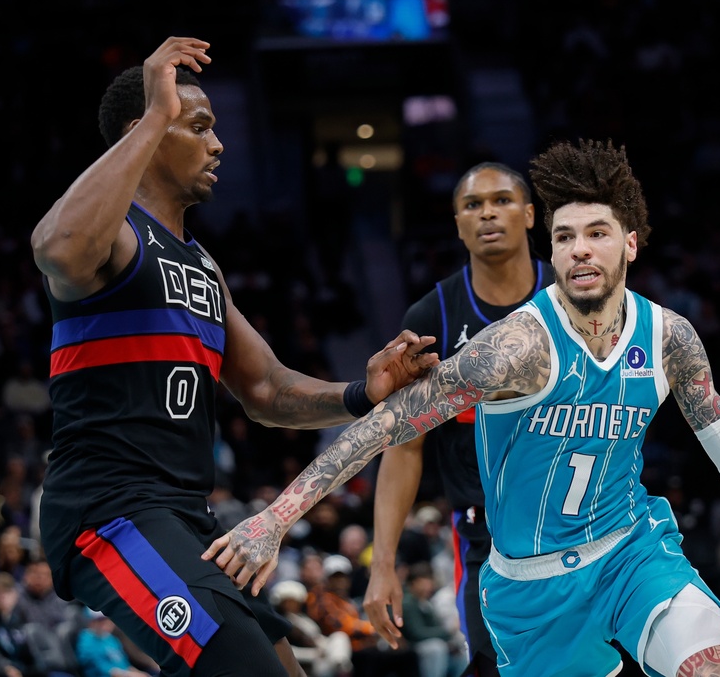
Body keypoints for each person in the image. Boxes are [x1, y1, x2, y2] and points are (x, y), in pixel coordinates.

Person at [203, 137, 720, 677]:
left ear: (630, 243)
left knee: (713, 663)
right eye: (567, 235)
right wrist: (275, 517)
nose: (581, 247)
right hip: (529, 594)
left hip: (632, 553)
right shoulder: (516, 347)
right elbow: (385, 426)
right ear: (551, 248)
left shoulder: (670, 338)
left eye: (598, 233)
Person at [29, 36, 438, 677]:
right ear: (150, 129)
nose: (218, 144)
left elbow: (269, 391)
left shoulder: (202, 266)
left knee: (284, 668)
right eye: (197, 126)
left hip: (188, 516)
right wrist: (156, 116)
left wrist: (363, 393)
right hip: (108, 512)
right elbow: (56, 248)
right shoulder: (110, 239)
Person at [364, 161, 554, 677]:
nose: (487, 213)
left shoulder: (574, 296)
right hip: (487, 539)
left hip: (582, 526)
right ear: (457, 222)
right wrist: (383, 566)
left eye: (502, 200)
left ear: (531, 214)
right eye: (472, 205)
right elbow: (404, 448)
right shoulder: (432, 319)